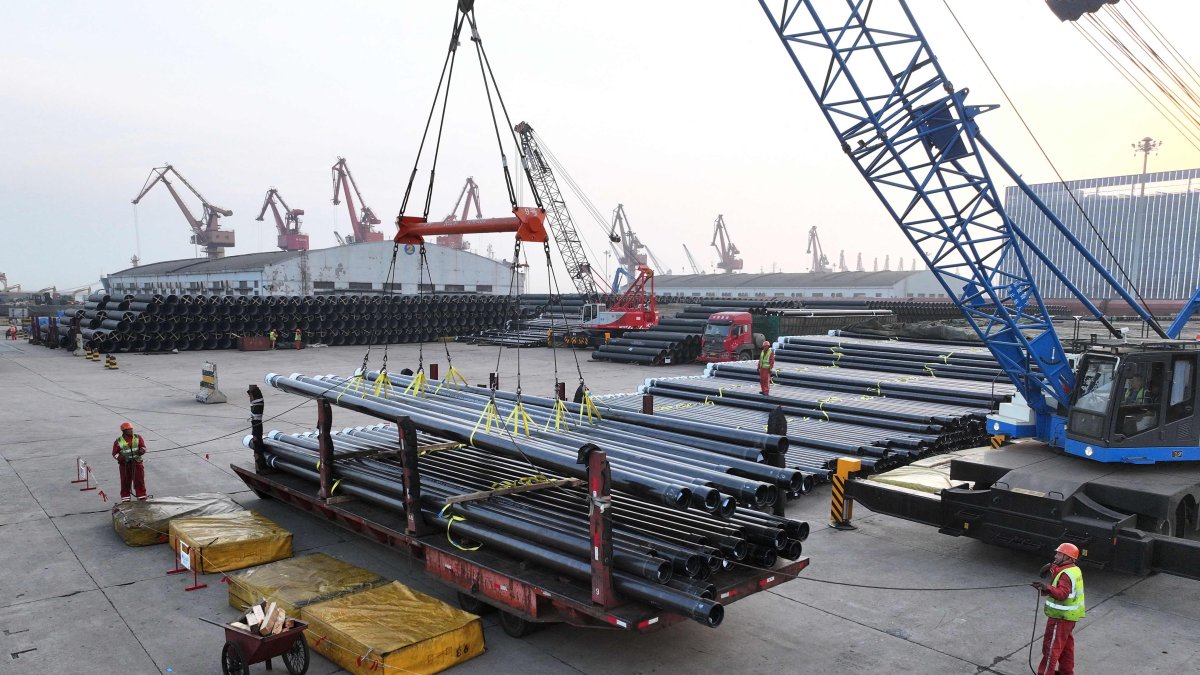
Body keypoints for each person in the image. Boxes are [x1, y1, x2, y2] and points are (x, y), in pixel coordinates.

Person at [1031, 542, 1085, 675]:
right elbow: (1060, 570)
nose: (1055, 556)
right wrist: (1051, 566)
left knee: (1050, 649)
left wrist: (1046, 587)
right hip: (1069, 618)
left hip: (1060, 618)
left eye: (1059, 554)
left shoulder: (1066, 575)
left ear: (1068, 557)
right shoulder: (1073, 569)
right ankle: (1066, 673)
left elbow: (1062, 594)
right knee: (1066, 649)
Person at [111, 421, 148, 502]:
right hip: (125, 465)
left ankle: (141, 496)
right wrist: (121, 459)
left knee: (139, 480)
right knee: (125, 482)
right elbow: (114, 453)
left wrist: (142, 450)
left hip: (137, 463)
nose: (131, 431)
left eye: (132, 429)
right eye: (129, 430)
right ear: (124, 431)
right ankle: (125, 499)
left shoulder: (138, 437)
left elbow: (143, 447)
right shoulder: (118, 441)